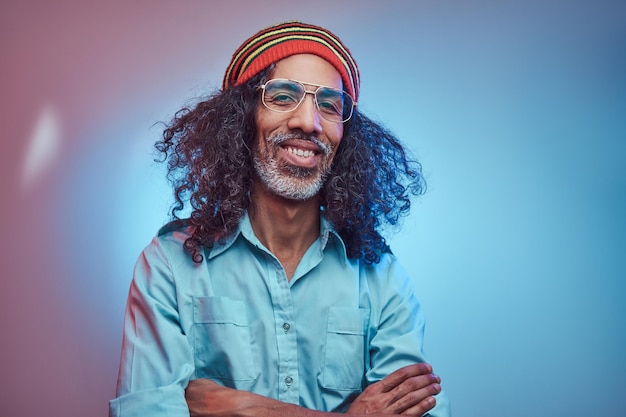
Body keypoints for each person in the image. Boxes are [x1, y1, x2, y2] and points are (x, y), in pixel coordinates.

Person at [109, 21, 451, 417]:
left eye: (329, 104)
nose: (309, 122)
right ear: (242, 117)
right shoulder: (169, 265)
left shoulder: (381, 277)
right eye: (284, 96)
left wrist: (235, 407)